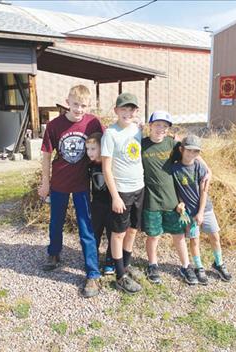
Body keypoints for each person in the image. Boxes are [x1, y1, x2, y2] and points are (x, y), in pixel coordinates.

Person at [38, 84, 103, 298]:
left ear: (89, 105)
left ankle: (92, 273)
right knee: (56, 221)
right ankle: (54, 253)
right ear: (67, 102)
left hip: (83, 184)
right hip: (59, 183)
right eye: (75, 104)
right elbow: (47, 155)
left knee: (86, 227)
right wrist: (45, 183)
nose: (79, 109)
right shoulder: (55, 125)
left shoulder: (93, 122)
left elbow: (105, 147)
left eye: (83, 105)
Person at [141, 111, 198, 285]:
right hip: (151, 200)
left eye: (165, 126)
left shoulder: (173, 145)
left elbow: (192, 154)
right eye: (158, 124)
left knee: (178, 234)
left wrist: (207, 170)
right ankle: (153, 265)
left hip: (172, 201)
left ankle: (186, 266)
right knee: (154, 236)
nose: (161, 129)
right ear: (150, 125)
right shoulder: (141, 144)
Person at [173, 135, 232, 284]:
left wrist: (200, 212)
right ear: (181, 150)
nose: (192, 154)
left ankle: (218, 263)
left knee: (215, 236)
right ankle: (199, 267)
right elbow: (176, 190)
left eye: (196, 151)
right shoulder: (175, 169)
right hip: (189, 214)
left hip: (205, 209)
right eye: (189, 150)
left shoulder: (199, 167)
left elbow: (204, 191)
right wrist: (180, 203)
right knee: (195, 240)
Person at [101, 92, 144, 294]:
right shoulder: (110, 134)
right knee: (118, 233)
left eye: (131, 109)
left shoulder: (137, 130)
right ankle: (119, 276)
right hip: (122, 191)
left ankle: (126, 266)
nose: (127, 113)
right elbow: (106, 168)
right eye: (124, 109)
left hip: (139, 188)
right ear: (116, 111)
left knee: (133, 230)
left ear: (136, 112)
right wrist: (116, 196)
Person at [86, 132, 115, 275]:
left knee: (111, 233)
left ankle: (110, 260)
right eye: (88, 149)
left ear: (101, 148)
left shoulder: (109, 163)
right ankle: (93, 258)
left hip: (111, 204)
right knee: (95, 232)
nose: (89, 152)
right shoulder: (89, 165)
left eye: (93, 149)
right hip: (96, 205)